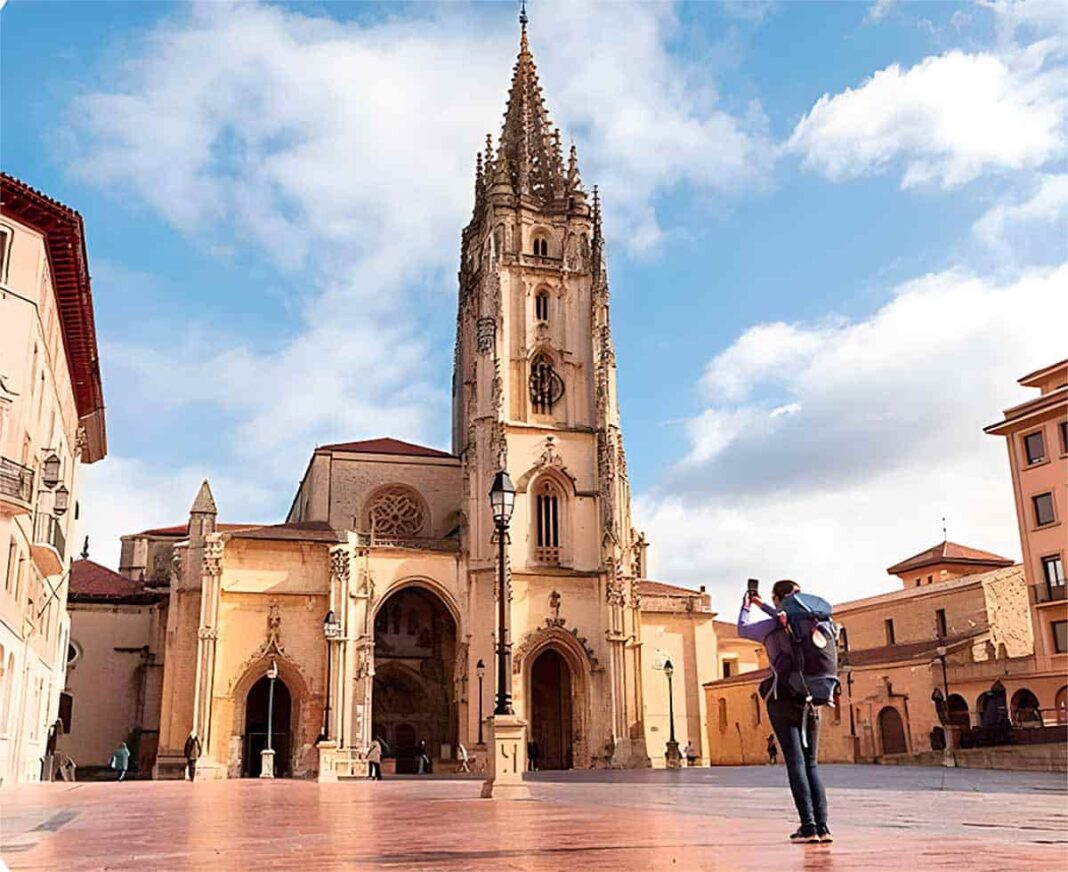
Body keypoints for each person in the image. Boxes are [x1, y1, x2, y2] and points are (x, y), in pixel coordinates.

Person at [739, 579, 830, 844]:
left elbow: (742, 629)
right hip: (813, 697)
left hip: (783, 697)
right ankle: (823, 827)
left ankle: (808, 826)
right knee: (811, 763)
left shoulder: (771, 625)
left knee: (796, 763)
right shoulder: (819, 622)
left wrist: (747, 606)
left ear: (777, 599)